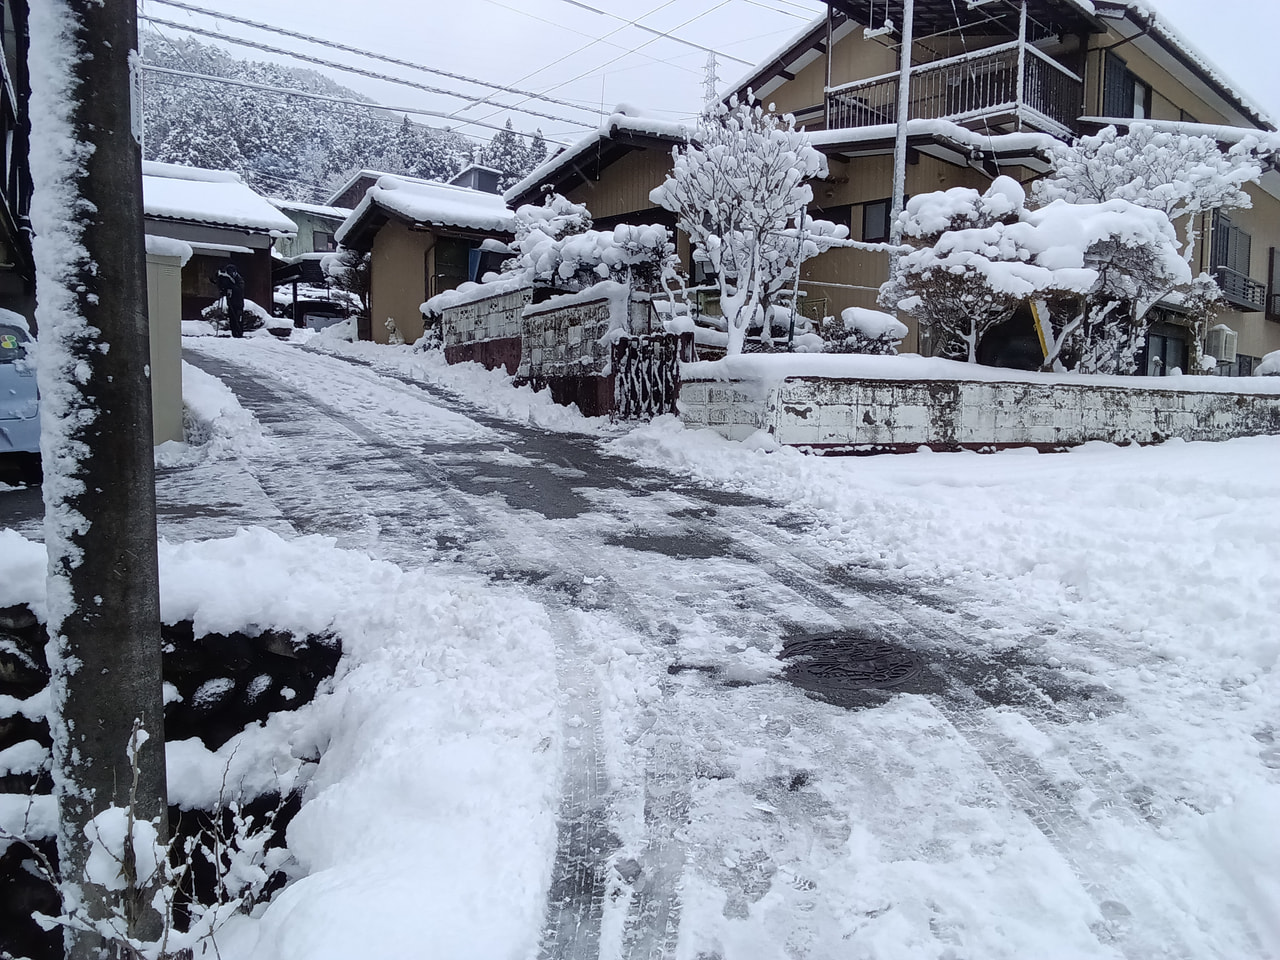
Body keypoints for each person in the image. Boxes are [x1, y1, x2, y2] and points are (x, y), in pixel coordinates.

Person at [213, 264, 247, 338]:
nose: (230, 274)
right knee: (232, 319)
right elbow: (226, 290)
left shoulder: (239, 280)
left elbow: (239, 290)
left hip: (238, 303)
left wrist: (230, 284)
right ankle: (234, 333)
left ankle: (239, 333)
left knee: (238, 318)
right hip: (231, 303)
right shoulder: (231, 280)